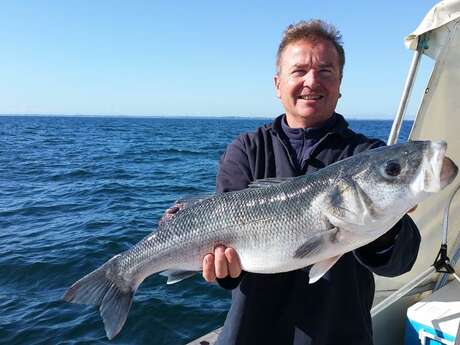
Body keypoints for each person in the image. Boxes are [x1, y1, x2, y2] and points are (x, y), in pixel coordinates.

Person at [199, 20, 421, 345]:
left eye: (326, 71)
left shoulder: (370, 156)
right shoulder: (246, 150)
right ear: (278, 84)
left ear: (340, 84)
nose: (312, 81)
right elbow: (230, 265)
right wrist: (223, 271)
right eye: (299, 70)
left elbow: (400, 261)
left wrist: (387, 227)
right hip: (250, 334)